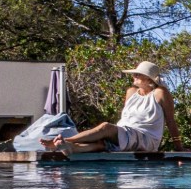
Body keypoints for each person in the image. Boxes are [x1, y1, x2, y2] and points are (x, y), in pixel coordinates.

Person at [44, 62, 181, 155]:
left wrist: (178, 147)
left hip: (146, 139)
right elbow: (126, 118)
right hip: (126, 134)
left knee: (105, 127)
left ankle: (66, 141)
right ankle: (70, 147)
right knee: (101, 144)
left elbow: (170, 121)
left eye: (138, 74)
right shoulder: (131, 92)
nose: (134, 76)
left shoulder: (160, 93)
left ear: (149, 79)